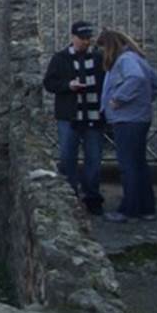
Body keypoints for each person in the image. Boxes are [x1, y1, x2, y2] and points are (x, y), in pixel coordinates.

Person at [96, 29, 157, 222]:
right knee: (139, 164)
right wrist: (144, 100)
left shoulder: (125, 60)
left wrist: (119, 99)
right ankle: (146, 208)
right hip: (139, 118)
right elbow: (155, 83)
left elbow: (137, 79)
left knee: (128, 166)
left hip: (127, 120)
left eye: (102, 48)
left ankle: (129, 210)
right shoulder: (136, 58)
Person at [43, 21, 106, 214]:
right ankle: (70, 198)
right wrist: (68, 86)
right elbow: (49, 83)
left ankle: (92, 198)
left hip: (93, 116)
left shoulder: (98, 58)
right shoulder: (60, 58)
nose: (86, 42)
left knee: (94, 159)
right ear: (73, 37)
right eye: (82, 38)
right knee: (67, 158)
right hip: (69, 117)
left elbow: (106, 83)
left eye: (88, 38)